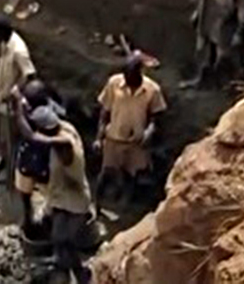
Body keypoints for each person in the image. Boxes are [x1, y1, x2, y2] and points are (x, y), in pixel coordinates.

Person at [32, 109, 95, 282]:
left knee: (65, 240)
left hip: (76, 203)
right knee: (56, 233)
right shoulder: (66, 127)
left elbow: (42, 140)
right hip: (61, 198)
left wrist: (32, 134)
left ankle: (80, 272)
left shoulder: (65, 146)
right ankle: (61, 262)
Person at [95, 53, 166, 203]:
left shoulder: (152, 90)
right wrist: (98, 138)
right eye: (127, 78)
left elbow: (156, 117)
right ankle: (96, 205)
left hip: (136, 142)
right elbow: (105, 111)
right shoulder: (114, 83)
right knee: (106, 173)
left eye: (133, 78)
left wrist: (148, 132)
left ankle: (124, 203)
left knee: (131, 174)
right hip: (113, 138)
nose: (130, 82)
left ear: (141, 73)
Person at [0, 18, 36, 182]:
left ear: (3, 31)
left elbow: (30, 75)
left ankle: (10, 172)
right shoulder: (5, 42)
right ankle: (2, 160)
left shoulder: (19, 50)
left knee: (9, 137)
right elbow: (6, 60)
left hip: (9, 101)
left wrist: (16, 90)